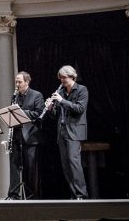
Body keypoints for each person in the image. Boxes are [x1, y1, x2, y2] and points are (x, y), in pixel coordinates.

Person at [43, 65, 89, 199]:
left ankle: (82, 194)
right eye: (60, 78)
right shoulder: (61, 92)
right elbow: (56, 115)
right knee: (66, 165)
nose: (61, 80)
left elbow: (79, 109)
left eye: (64, 78)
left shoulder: (82, 90)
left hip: (75, 131)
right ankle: (74, 195)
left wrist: (62, 101)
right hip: (62, 131)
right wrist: (51, 108)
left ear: (72, 76)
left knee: (74, 163)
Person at [7, 71, 44, 199]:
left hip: (30, 136)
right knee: (14, 166)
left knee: (30, 168)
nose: (17, 84)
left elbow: (39, 114)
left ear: (27, 82)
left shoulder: (36, 95)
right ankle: (14, 195)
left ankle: (32, 196)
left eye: (19, 82)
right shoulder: (15, 97)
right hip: (16, 135)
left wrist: (21, 112)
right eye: (16, 82)